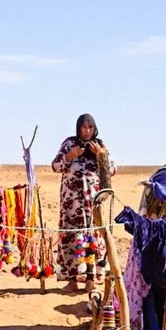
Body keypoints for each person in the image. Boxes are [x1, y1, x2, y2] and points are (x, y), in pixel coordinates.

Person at [51, 113, 116, 293]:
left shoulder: (100, 145)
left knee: (91, 240)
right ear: (78, 128)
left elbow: (112, 170)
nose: (86, 131)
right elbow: (55, 166)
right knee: (71, 238)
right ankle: (71, 280)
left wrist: (100, 156)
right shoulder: (69, 144)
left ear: (94, 129)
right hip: (71, 205)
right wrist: (70, 156)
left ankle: (90, 279)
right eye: (83, 127)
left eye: (90, 128)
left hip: (93, 205)